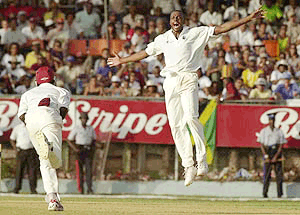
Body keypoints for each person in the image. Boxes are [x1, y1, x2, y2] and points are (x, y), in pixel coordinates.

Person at [108, 9, 265, 186]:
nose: (176, 20)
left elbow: (221, 28)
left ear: (184, 20)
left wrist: (248, 18)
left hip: (189, 78)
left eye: (179, 17)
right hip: (170, 82)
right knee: (176, 124)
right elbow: (145, 53)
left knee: (191, 117)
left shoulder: (195, 33)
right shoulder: (164, 38)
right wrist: (122, 61)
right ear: (169, 21)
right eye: (173, 17)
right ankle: (188, 165)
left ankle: (202, 159)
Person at [18, 66, 71, 211]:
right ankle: (50, 148)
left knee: (44, 161)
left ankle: (52, 198)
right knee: (55, 161)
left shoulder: (27, 94)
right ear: (53, 81)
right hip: (49, 117)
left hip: (31, 120)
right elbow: (63, 109)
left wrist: (32, 125)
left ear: (36, 82)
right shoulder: (61, 91)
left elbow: (21, 115)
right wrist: (57, 120)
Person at [257, 113, 287, 198]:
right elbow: (262, 145)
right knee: (267, 174)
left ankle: (279, 194)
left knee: (279, 175)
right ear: (268, 121)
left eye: (273, 120)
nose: (271, 122)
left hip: (276, 151)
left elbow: (281, 145)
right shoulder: (264, 131)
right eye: (270, 120)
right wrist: (266, 155)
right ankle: (265, 193)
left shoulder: (279, 131)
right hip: (268, 151)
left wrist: (276, 156)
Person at [67, 112, 96, 194]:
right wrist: (75, 149)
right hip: (79, 149)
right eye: (83, 119)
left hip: (88, 149)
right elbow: (69, 140)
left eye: (85, 119)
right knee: (79, 171)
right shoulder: (77, 128)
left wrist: (93, 149)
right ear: (80, 119)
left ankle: (89, 188)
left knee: (89, 170)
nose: (84, 120)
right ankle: (81, 189)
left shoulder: (90, 128)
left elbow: (94, 140)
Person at [10, 122, 39, 194]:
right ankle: (17, 188)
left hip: (31, 151)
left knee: (32, 171)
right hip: (21, 151)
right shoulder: (17, 128)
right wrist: (15, 149)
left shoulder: (33, 127)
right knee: (19, 170)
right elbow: (12, 139)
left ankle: (33, 189)